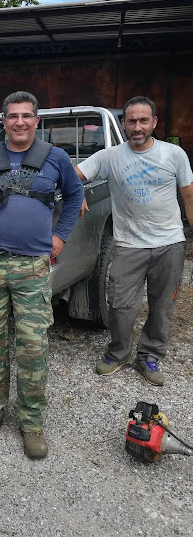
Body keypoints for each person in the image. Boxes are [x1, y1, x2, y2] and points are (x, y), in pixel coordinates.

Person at [0, 91, 84, 459]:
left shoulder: (56, 157)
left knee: (32, 346)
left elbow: (75, 196)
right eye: (12, 116)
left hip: (33, 267)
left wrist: (60, 236)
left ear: (36, 121)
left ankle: (31, 423)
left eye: (26, 116)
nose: (19, 122)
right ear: (4, 122)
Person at [76, 96, 193, 386]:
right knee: (120, 304)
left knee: (162, 306)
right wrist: (76, 191)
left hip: (169, 243)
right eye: (132, 121)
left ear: (154, 122)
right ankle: (119, 353)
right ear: (123, 124)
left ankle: (149, 356)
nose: (137, 127)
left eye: (143, 120)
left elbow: (189, 196)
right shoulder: (109, 156)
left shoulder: (174, 154)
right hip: (128, 245)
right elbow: (73, 174)